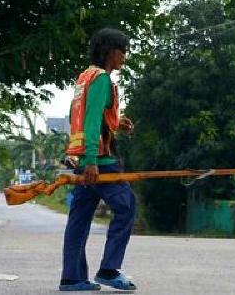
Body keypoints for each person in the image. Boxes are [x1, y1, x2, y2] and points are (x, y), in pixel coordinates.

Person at [59, 28, 137, 292]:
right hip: (100, 162)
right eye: (121, 51)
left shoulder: (84, 78)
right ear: (109, 53)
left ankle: (72, 278)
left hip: (82, 160)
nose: (124, 57)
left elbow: (81, 117)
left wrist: (116, 124)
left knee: (79, 218)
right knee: (126, 206)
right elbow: (91, 120)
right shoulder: (102, 79)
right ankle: (109, 269)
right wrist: (92, 159)